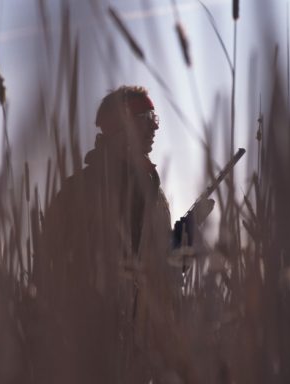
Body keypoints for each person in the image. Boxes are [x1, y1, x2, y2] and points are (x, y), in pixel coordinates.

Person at [33, 85, 212, 383]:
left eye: (155, 117)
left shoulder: (155, 193)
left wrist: (184, 238)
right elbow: (47, 265)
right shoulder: (81, 190)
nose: (155, 126)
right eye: (145, 117)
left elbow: (161, 270)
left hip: (143, 348)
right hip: (93, 348)